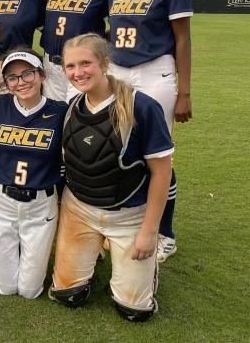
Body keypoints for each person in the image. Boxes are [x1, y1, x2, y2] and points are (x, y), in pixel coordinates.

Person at [48, 33, 173, 322]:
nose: (78, 73)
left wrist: (149, 231)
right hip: (78, 209)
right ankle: (95, 250)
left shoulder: (141, 106)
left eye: (85, 63)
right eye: (70, 66)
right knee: (69, 295)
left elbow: (162, 171)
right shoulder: (71, 109)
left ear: (105, 63)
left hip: (128, 215)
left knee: (134, 310)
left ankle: (134, 263)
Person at [108, 0, 193, 262]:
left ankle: (164, 232)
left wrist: (184, 91)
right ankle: (124, 219)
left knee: (158, 156)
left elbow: (183, 39)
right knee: (118, 147)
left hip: (155, 71)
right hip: (118, 72)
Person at [0, 48, 67, 298]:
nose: (21, 82)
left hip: (40, 204)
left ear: (42, 75)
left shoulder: (60, 111)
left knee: (30, 290)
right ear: (6, 83)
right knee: (6, 287)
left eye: (28, 74)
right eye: (13, 77)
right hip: (1, 200)